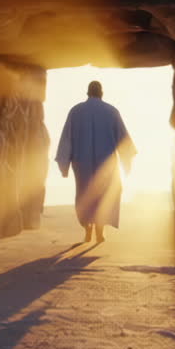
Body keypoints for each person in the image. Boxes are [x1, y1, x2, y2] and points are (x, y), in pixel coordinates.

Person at [55, 80, 137, 243]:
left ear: (88, 92)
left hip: (81, 163)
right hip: (106, 163)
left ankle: (88, 229)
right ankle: (99, 231)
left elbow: (66, 139)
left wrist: (64, 165)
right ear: (101, 93)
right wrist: (126, 163)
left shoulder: (76, 111)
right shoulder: (111, 111)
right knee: (105, 195)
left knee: (84, 195)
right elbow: (123, 139)